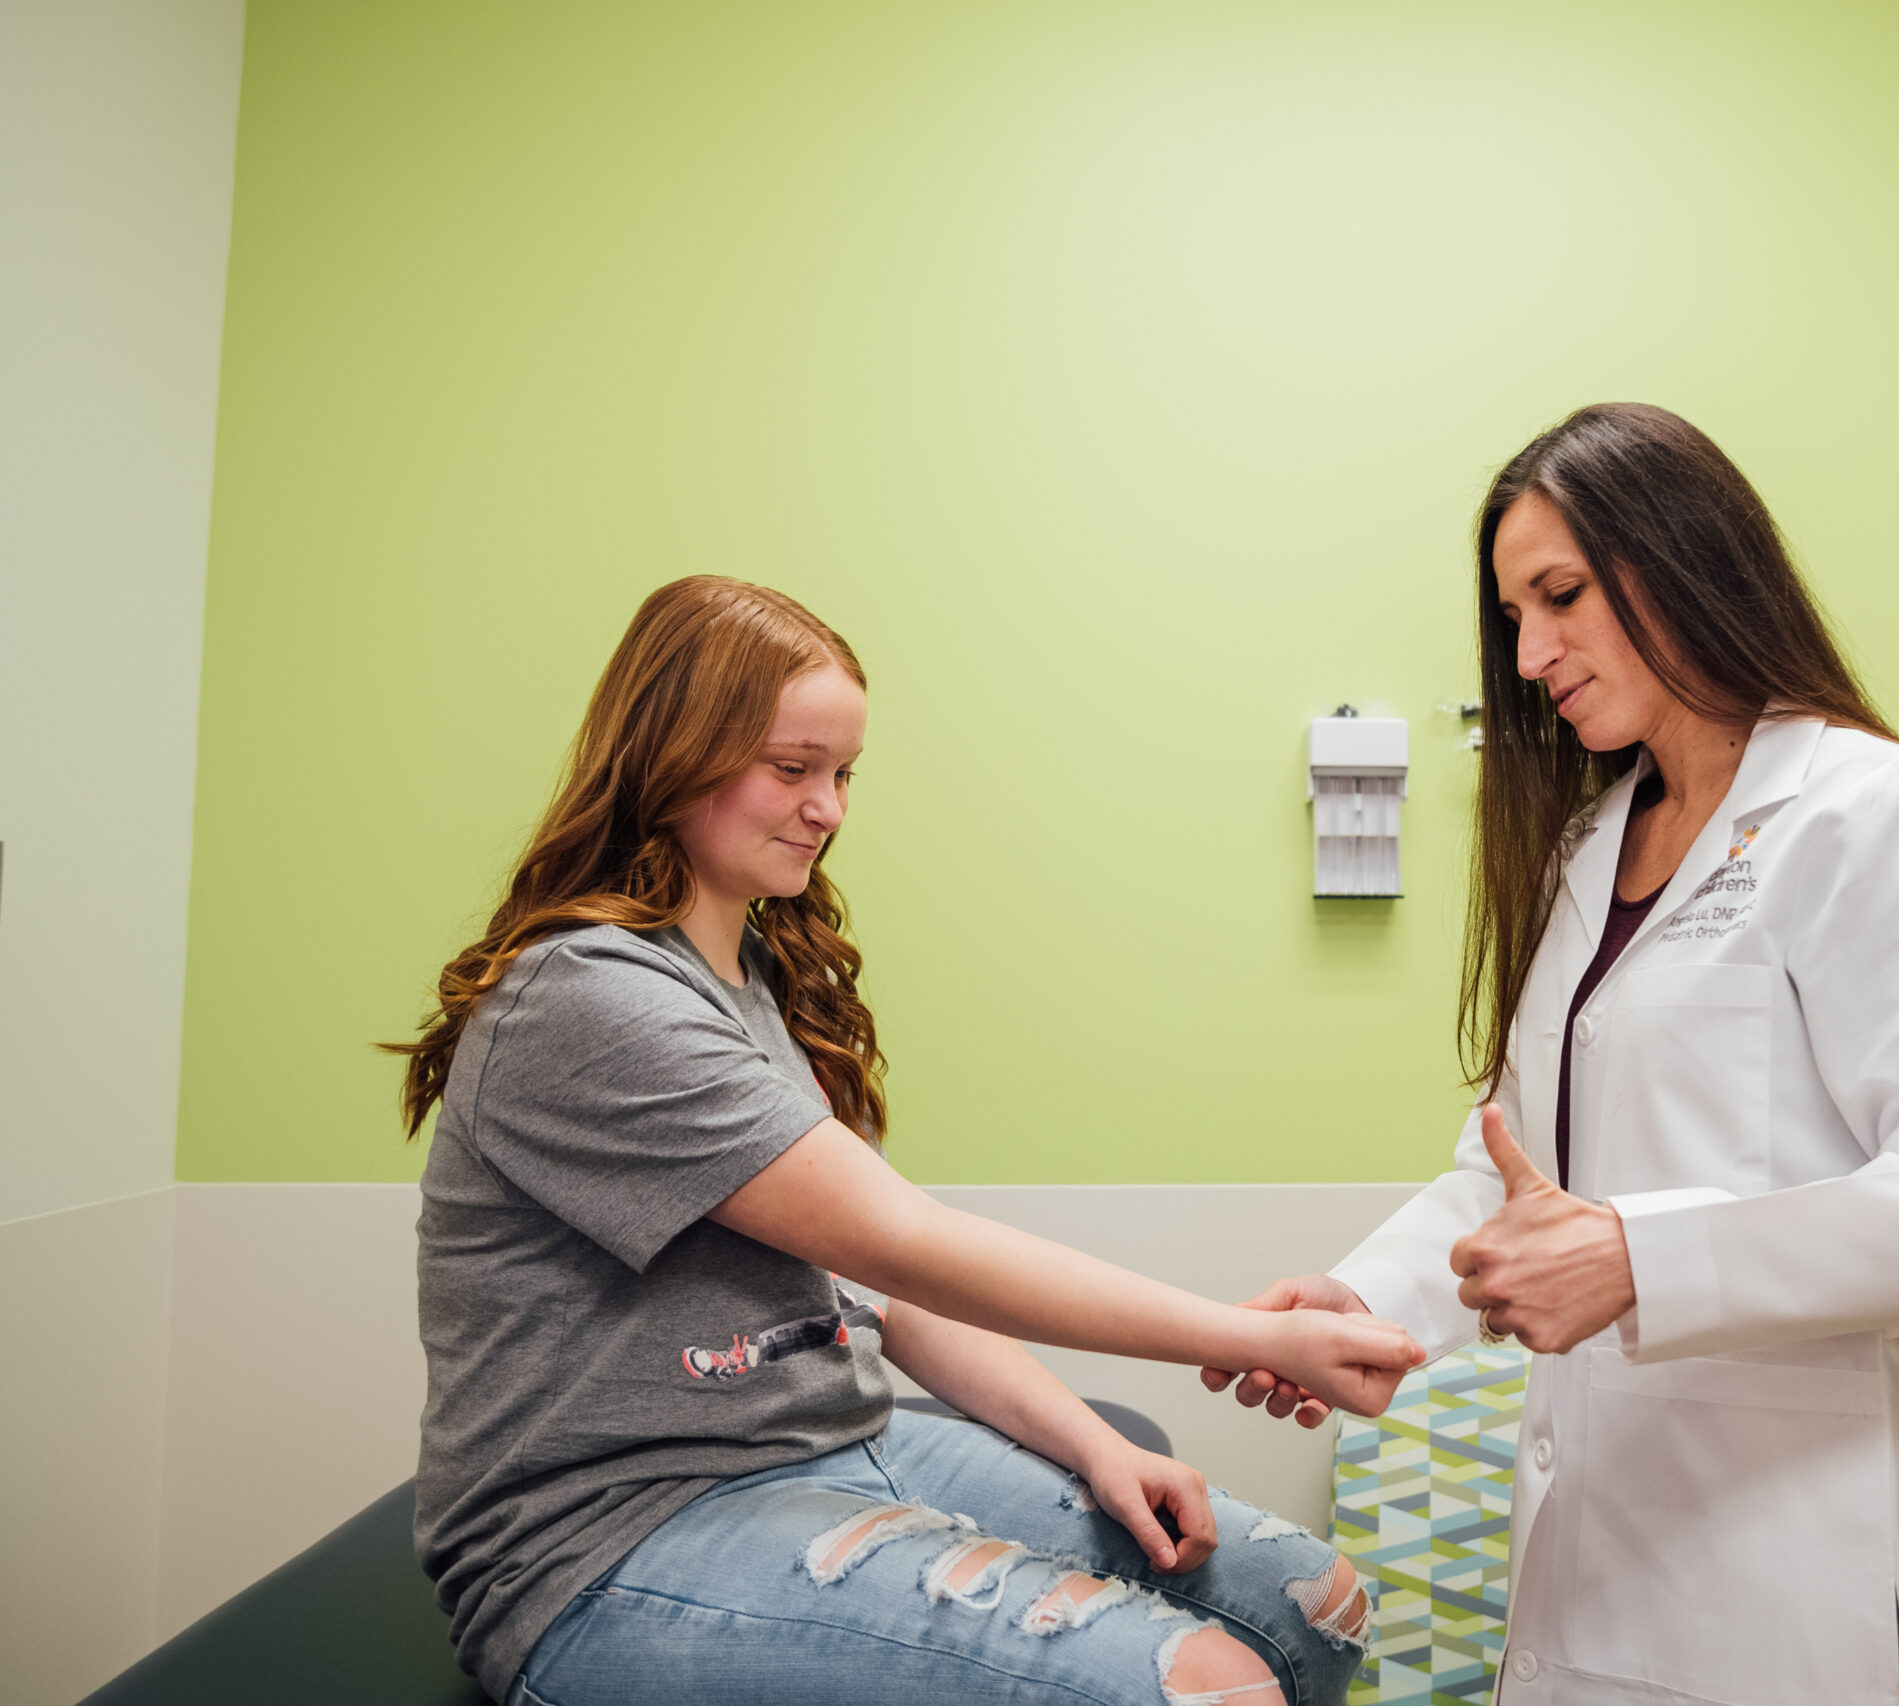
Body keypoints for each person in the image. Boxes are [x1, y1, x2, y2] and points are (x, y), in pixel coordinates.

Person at [392, 576, 1421, 1706]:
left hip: (834, 1446)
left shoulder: (755, 980)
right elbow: (907, 1243)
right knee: (1211, 1689)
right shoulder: (585, 993)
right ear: (670, 753)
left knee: (1314, 1607)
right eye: (791, 768)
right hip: (608, 1538)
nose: (827, 806)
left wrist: (1093, 1441)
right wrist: (1244, 1337)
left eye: (842, 773)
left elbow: (883, 1295)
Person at [1205, 404, 1899, 1706]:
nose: (1533, 650)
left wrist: (1639, 1258)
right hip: (1601, 1561)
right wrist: (1367, 1304)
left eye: (1562, 594)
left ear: (1685, 559)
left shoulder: (1870, 811)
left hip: (1802, 1586)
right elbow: (1517, 1176)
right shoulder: (1588, 848)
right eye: (1513, 616)